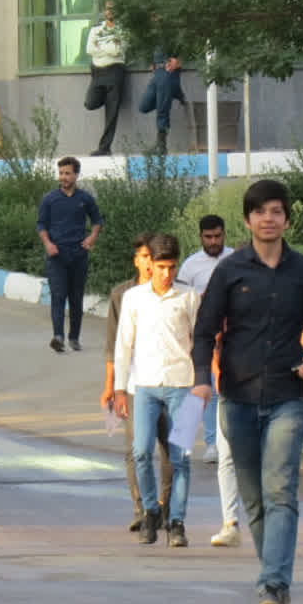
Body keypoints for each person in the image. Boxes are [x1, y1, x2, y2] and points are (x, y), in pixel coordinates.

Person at [193, 178, 303, 604]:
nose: (268, 219)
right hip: (237, 396)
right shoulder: (231, 270)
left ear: (287, 218)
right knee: (253, 498)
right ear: (248, 219)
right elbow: (204, 331)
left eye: (276, 211)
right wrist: (202, 378)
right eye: (260, 211)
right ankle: (271, 570)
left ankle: (273, 583)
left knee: (281, 492)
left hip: (288, 394)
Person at [113, 234, 206, 548]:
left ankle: (176, 521)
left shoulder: (189, 297)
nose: (166, 274)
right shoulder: (134, 298)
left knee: (181, 457)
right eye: (161, 266)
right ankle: (151, 511)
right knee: (140, 451)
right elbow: (123, 345)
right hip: (144, 388)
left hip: (184, 388)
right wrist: (119, 390)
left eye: (172, 267)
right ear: (148, 264)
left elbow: (203, 343)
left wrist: (204, 384)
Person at [102, 234, 172, 533]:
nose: (147, 264)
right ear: (137, 261)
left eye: (151, 258)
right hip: (133, 384)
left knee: (171, 447)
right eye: (142, 257)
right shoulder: (122, 295)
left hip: (171, 383)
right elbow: (113, 345)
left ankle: (167, 510)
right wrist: (111, 386)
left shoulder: (178, 294)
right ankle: (142, 508)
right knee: (135, 448)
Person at [177, 214, 236, 486]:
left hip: (233, 333)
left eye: (218, 236)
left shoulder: (235, 260)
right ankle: (204, 442)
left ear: (224, 235)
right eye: (208, 237)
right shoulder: (190, 267)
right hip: (201, 335)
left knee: (228, 387)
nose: (214, 242)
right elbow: (182, 302)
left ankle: (228, 440)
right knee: (204, 387)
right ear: (200, 237)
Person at [37, 156, 103, 352]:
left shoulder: (85, 199)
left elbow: (97, 220)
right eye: (61, 173)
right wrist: (48, 243)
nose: (63, 177)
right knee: (58, 296)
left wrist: (92, 237)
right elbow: (41, 224)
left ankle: (74, 337)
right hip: (56, 256)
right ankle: (58, 336)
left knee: (76, 297)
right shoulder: (49, 199)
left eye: (67, 173)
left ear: (76, 175)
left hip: (79, 255)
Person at [85, 0, 127, 156]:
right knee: (90, 103)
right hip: (98, 72)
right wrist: (106, 48)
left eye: (113, 9)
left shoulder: (122, 30)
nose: (110, 12)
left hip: (115, 71)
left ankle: (104, 148)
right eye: (108, 9)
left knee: (112, 112)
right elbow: (89, 49)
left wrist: (99, 47)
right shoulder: (96, 29)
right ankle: (107, 96)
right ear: (104, 12)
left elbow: (116, 51)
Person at [137, 53, 187, 154]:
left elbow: (183, 46)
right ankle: (174, 94)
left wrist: (176, 61)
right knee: (143, 107)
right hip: (158, 73)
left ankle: (161, 146)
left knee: (162, 112)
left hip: (168, 72)